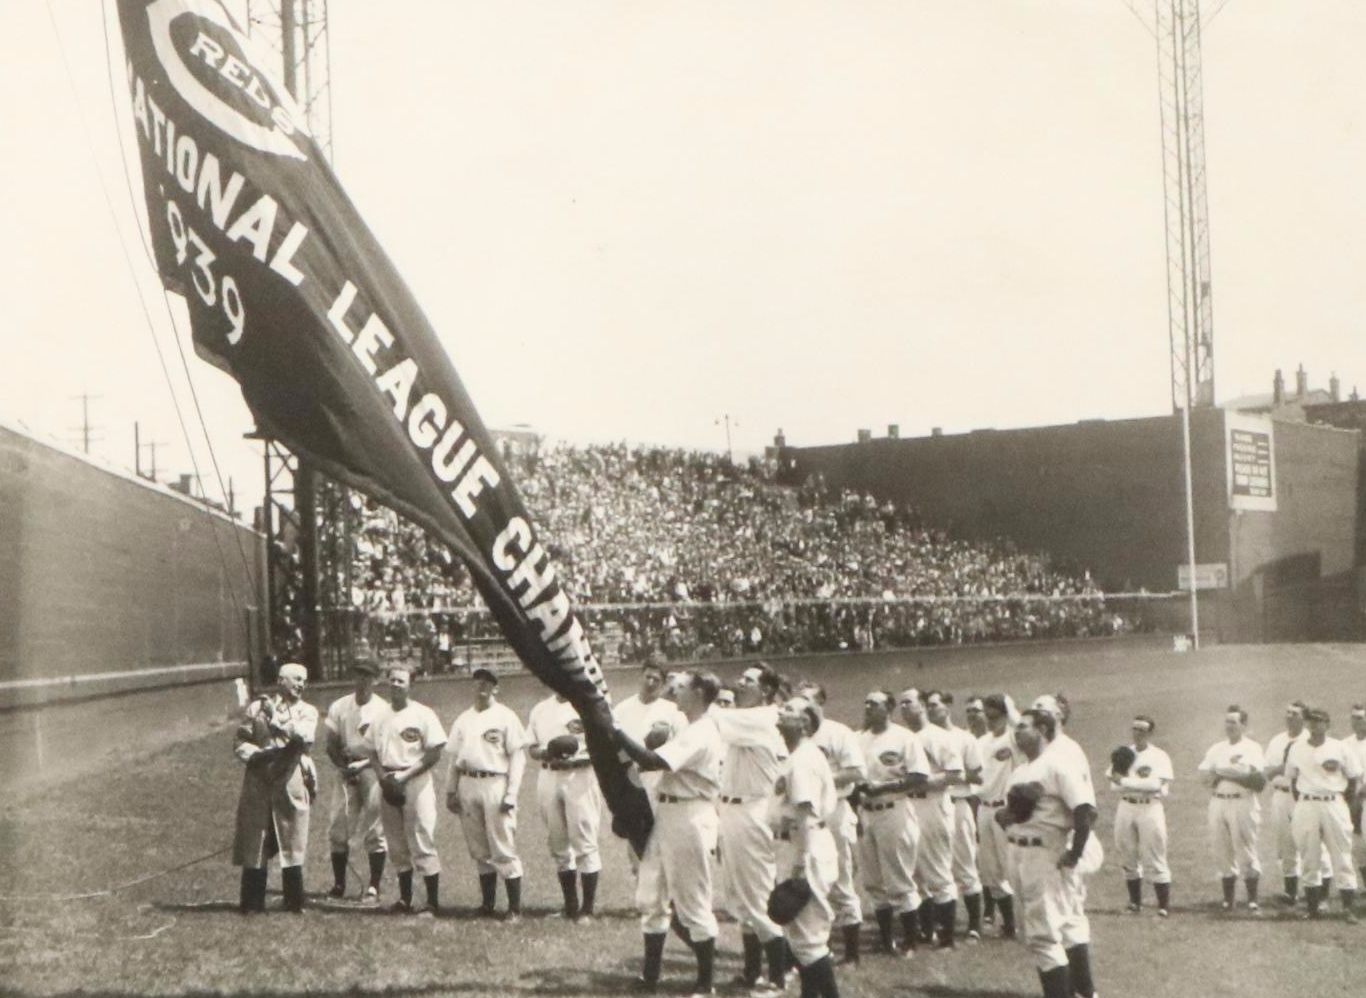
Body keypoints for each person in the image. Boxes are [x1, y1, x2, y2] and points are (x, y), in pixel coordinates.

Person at [613, 670, 725, 997]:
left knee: (693, 902)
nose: (674, 690)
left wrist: (615, 731)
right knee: (651, 894)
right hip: (669, 812)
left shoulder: (702, 731)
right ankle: (651, 976)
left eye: (683, 687)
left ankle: (706, 983)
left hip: (691, 816)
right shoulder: (689, 728)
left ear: (701, 693)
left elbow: (650, 760)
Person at [997, 709, 1098, 998]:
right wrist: (1007, 815)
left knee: (1043, 937)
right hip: (1020, 853)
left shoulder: (1057, 765)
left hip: (1044, 855)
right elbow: (1014, 814)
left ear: (1042, 730)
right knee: (1064, 927)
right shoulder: (1019, 770)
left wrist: (1075, 853)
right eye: (1016, 728)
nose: (1017, 732)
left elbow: (1085, 810)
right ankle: (1086, 993)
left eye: (1024, 727)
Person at [708, 663, 788, 994]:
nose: (740, 683)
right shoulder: (746, 717)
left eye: (749, 681)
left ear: (766, 691)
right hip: (731, 809)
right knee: (739, 899)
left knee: (757, 896)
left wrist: (703, 690)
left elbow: (713, 718)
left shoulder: (762, 717)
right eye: (740, 678)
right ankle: (752, 971)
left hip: (752, 810)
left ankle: (778, 978)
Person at [232, 662, 319, 914]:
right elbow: (240, 739)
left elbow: (303, 738)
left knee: (292, 836)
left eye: (304, 680)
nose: (302, 685)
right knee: (256, 837)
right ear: (281, 681)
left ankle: (294, 902)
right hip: (258, 780)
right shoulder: (256, 708)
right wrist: (255, 755)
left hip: (290, 778)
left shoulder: (307, 711)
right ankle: (251, 902)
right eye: (297, 679)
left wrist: (275, 717)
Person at [444, 667, 529, 920]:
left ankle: (514, 909)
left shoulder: (505, 717)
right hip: (469, 782)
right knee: (479, 848)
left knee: (502, 846)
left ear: (496, 688)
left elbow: (518, 758)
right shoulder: (463, 719)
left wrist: (511, 794)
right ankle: (487, 905)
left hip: (495, 782)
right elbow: (454, 761)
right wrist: (450, 790)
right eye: (478, 682)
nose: (482, 687)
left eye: (487, 683)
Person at [770, 695, 841, 998]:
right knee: (802, 939)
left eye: (789, 709)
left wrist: (800, 864)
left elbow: (806, 815)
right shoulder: (798, 755)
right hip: (804, 846)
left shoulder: (803, 761)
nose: (780, 711)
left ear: (804, 723)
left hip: (806, 848)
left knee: (808, 940)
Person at [798, 681, 866, 965]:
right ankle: (814, 949)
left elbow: (856, 772)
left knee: (840, 879)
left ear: (821, 701)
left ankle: (851, 953)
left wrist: (820, 778)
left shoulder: (838, 732)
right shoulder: (795, 735)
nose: (803, 705)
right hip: (804, 814)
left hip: (834, 809)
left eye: (808, 699)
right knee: (806, 880)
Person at [369, 665, 446, 914]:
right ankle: (405, 899)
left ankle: (432, 902)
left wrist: (404, 776)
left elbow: (434, 752)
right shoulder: (381, 716)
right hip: (388, 778)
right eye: (392, 680)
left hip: (415, 780)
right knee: (396, 842)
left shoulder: (423, 714)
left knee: (422, 838)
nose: (395, 685)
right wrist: (382, 777)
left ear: (410, 685)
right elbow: (370, 750)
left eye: (401, 681)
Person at [856, 689, 928, 956]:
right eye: (866, 703)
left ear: (888, 708)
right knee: (873, 881)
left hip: (894, 808)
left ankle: (910, 941)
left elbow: (920, 776)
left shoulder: (903, 738)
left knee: (899, 879)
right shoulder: (859, 739)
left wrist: (884, 786)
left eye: (873, 703)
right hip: (866, 811)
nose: (867, 707)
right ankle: (886, 941)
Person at [526, 691, 602, 921]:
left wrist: (576, 756)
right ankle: (570, 906)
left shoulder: (586, 705)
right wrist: (548, 752)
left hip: (580, 775)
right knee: (558, 842)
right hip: (549, 775)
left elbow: (602, 745)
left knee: (585, 841)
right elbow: (531, 747)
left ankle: (587, 910)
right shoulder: (540, 708)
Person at [899, 688, 963, 948]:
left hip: (932, 806)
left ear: (923, 705)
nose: (903, 707)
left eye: (909, 702)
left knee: (937, 872)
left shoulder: (939, 737)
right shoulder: (901, 737)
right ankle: (926, 931)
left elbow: (955, 774)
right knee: (913, 873)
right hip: (906, 807)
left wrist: (920, 783)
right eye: (901, 703)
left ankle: (947, 938)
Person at [323, 656, 391, 901]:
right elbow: (330, 744)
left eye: (367, 676)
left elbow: (385, 749)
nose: (362, 681)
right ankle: (339, 884)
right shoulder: (340, 706)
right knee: (338, 827)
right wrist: (345, 766)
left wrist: (363, 765)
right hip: (345, 771)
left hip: (372, 770)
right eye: (358, 675)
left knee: (375, 829)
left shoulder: (383, 709)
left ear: (375, 679)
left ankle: (374, 885)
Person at [1285, 706, 1362, 921]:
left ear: (1328, 724)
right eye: (1311, 721)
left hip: (1333, 802)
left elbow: (1354, 778)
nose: (1314, 725)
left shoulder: (1339, 747)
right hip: (1307, 802)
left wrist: (1347, 803)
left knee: (1341, 854)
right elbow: (1292, 778)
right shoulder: (1297, 748)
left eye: (1319, 721)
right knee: (1309, 855)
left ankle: (1348, 908)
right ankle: (1312, 908)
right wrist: (1300, 802)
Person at [928, 690, 986, 941]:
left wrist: (952, 774)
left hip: (958, 801)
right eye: (928, 706)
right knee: (934, 866)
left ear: (948, 707)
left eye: (935, 705)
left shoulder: (963, 738)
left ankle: (975, 924)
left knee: (964, 863)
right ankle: (936, 923)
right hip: (932, 804)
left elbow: (978, 775)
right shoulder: (922, 737)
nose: (931, 710)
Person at [1196, 704, 1264, 912]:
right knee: (1221, 850)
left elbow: (1252, 776)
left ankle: (1252, 898)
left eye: (1233, 722)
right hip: (1218, 802)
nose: (1229, 726)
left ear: (1243, 725)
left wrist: (1221, 772)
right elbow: (1205, 777)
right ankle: (1229, 899)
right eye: (1227, 722)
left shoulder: (1251, 747)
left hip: (1242, 802)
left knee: (1245, 849)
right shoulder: (1217, 748)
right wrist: (1230, 772)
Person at [1108, 715, 1174, 916]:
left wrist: (1126, 782)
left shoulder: (1159, 756)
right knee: (1127, 853)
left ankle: (1163, 906)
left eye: (1142, 730)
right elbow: (1112, 784)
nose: (1137, 733)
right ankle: (1135, 903)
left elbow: (1155, 785)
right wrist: (1131, 784)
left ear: (1150, 733)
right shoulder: (1125, 753)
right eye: (1134, 729)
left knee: (1155, 855)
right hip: (1127, 807)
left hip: (1150, 808)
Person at [976, 693, 1021, 938]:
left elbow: (1022, 725)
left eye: (994, 716)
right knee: (991, 870)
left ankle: (1025, 919)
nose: (989, 721)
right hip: (984, 807)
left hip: (1005, 808)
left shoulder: (1012, 738)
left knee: (1010, 865)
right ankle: (1010, 924)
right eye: (987, 716)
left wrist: (1009, 704)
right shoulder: (981, 742)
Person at [1262, 701, 1311, 903]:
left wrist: (1284, 769)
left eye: (1295, 714)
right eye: (1288, 713)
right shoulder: (1277, 741)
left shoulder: (1309, 739)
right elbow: (1267, 772)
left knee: (1310, 844)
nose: (1289, 716)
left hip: (1302, 795)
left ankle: (1315, 893)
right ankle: (1291, 892)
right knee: (1285, 844)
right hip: (1281, 794)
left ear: (1304, 718)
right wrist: (1285, 767)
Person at [1347, 705, 1366, 891]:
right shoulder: (1346, 744)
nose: (1357, 722)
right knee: (1358, 846)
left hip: (1364, 799)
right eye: (1354, 718)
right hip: (1352, 801)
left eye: (1360, 718)